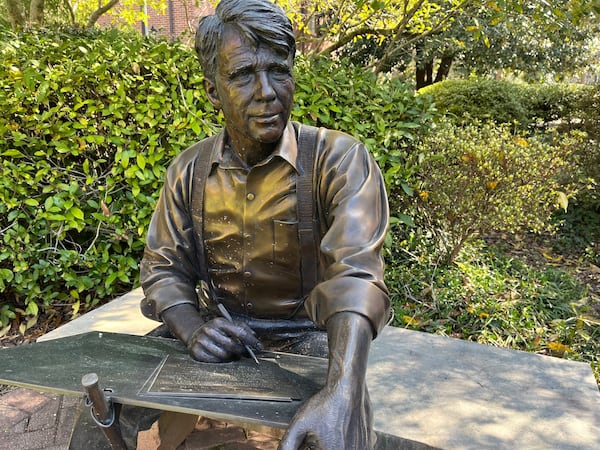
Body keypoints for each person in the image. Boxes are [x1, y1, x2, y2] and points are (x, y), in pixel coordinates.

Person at [139, 0, 390, 448]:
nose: (267, 91)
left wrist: (343, 388)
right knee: (98, 408)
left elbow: (356, 273)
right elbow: (163, 269)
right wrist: (192, 327)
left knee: (340, 429)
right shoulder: (188, 171)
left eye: (279, 70)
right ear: (213, 91)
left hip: (310, 337)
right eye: (241, 76)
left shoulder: (339, 160)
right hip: (220, 330)